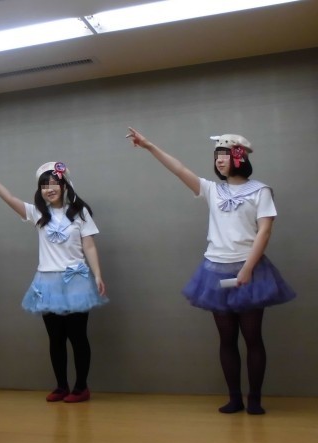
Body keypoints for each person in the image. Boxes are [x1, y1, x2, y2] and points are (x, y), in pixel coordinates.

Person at [126, 127, 296, 415]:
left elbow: (264, 232)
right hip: (215, 271)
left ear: (239, 157)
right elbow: (179, 169)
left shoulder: (261, 191)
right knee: (226, 339)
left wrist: (248, 269)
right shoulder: (212, 190)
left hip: (250, 270)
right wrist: (149, 146)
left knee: (253, 337)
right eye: (217, 155)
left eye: (225, 154)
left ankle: (254, 399)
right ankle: (234, 398)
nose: (219, 160)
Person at [0, 159, 108, 403]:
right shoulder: (38, 213)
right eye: (44, 185)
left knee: (77, 337)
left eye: (54, 183)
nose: (49, 189)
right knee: (56, 338)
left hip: (75, 280)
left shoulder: (79, 212)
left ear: (64, 185)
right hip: (47, 282)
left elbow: (89, 245)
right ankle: (61, 386)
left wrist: (97, 274)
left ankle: (81, 387)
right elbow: (10, 199)